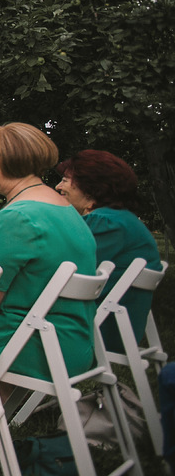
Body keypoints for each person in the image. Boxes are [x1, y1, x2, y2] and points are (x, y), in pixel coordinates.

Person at [0, 123, 96, 384]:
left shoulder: (18, 218)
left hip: (26, 348)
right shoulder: (65, 209)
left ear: (16, 156)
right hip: (72, 345)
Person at [55, 149, 163, 353]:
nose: (58, 186)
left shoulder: (105, 223)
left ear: (90, 186)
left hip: (94, 331)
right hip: (118, 328)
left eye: (65, 180)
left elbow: (62, 272)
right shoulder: (121, 220)